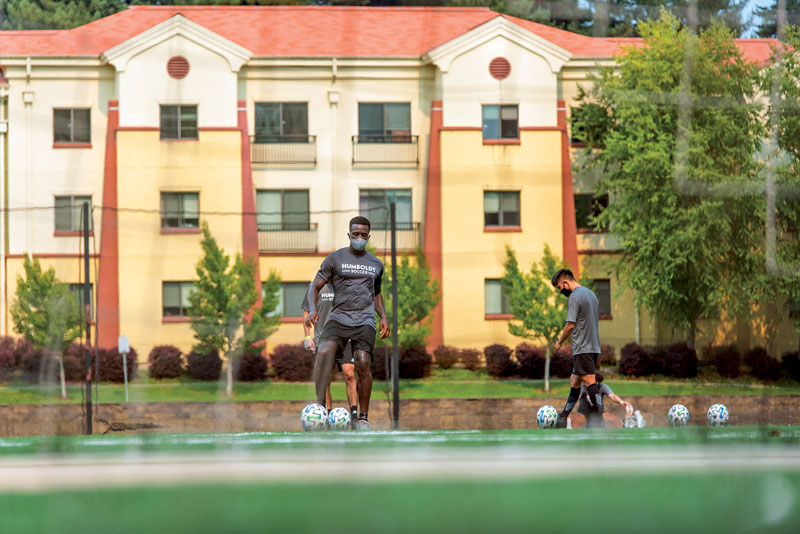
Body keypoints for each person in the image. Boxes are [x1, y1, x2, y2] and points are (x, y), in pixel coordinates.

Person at [305, 216, 390, 430]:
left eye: (363, 235)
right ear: (349, 235)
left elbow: (376, 294)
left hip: (365, 320)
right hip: (339, 317)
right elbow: (315, 287)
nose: (359, 238)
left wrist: (384, 316)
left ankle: (362, 417)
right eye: (355, 234)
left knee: (362, 362)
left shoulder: (376, 264)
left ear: (368, 237)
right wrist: (313, 309)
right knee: (324, 353)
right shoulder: (335, 259)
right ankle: (320, 406)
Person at [301, 281, 358, 427]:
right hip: (324, 339)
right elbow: (307, 311)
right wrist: (308, 337)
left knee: (350, 374)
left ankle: (355, 416)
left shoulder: (346, 285)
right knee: (325, 379)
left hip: (346, 339)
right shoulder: (314, 286)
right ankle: (326, 415)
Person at [551, 268, 602, 429]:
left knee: (589, 380)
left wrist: (559, 342)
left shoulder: (574, 297)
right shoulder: (591, 294)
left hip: (583, 347)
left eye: (560, 288)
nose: (561, 291)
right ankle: (563, 417)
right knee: (575, 380)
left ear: (565, 283)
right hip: (593, 345)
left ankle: (598, 420)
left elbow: (570, 324)